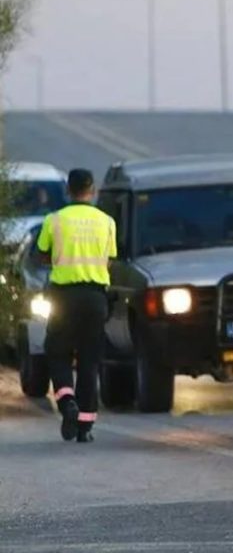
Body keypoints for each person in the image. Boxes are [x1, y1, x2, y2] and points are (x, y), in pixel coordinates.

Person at [37, 168, 117, 443]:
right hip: (95, 299)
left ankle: (67, 401)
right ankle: (85, 427)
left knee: (57, 352)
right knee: (89, 360)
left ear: (68, 191)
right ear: (92, 190)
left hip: (63, 297)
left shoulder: (54, 220)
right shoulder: (107, 222)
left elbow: (42, 256)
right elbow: (109, 261)